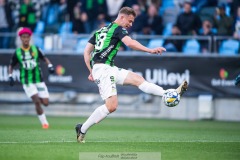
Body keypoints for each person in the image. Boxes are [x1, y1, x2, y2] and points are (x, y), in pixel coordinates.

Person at [75, 7, 188, 143]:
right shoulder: (118, 29)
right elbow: (130, 43)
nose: (131, 25)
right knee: (111, 106)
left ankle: (168, 93)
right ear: (122, 17)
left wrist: (91, 70)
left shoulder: (100, 31)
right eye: (130, 21)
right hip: (103, 69)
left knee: (138, 79)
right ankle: (82, 129)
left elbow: (86, 52)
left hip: (107, 68)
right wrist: (150, 50)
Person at [8, 28, 55, 129]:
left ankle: (39, 103)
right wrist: (10, 76)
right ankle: (44, 123)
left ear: (30, 38)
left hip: (39, 80)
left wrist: (50, 65)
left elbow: (44, 58)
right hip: (27, 81)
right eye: (23, 37)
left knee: (45, 103)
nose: (25, 39)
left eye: (27, 37)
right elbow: (11, 65)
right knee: (36, 101)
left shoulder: (36, 49)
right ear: (20, 38)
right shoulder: (17, 52)